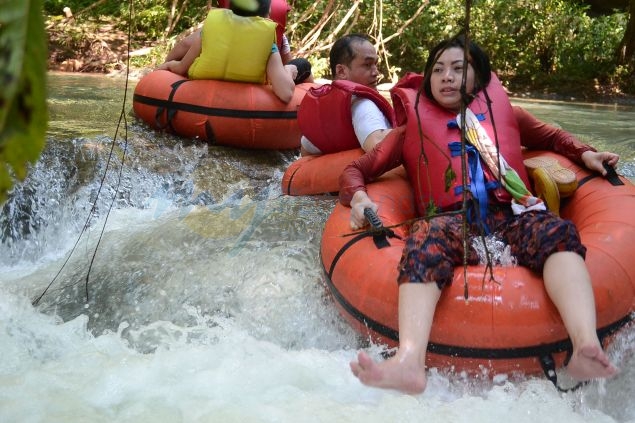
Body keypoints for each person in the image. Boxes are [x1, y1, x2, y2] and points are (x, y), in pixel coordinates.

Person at [339, 34, 620, 394]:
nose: (447, 77)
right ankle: (409, 361)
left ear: (479, 77)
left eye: (458, 69)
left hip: (512, 212)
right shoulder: (412, 130)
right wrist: (360, 198)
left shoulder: (508, 115)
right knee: (426, 237)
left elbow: (552, 137)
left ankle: (585, 345)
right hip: (454, 220)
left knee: (555, 232)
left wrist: (585, 154)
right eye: (438, 70)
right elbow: (356, 170)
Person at [157, 0, 298, 103]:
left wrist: (168, 66)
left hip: (200, 97)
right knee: (301, 65)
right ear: (268, 14)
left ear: (230, 8)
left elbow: (182, 67)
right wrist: (289, 70)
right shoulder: (268, 44)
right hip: (244, 105)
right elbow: (285, 94)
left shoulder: (210, 29)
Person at [298, 34, 395, 156]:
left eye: (375, 64)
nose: (376, 72)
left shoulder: (322, 111)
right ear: (341, 71)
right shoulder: (364, 105)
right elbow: (378, 147)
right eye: (367, 64)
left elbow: (305, 152)